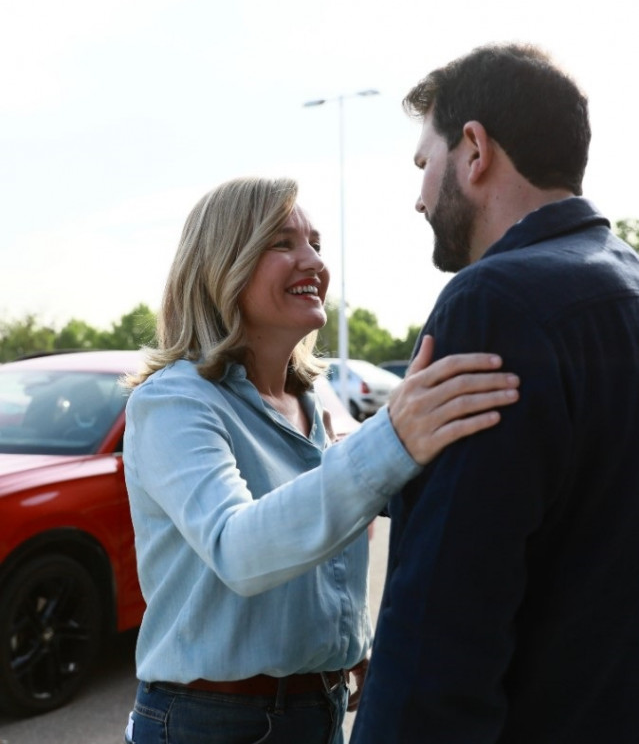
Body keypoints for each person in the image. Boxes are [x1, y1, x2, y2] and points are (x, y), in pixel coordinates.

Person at [121, 176, 520, 744]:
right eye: (283, 243)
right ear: (221, 265)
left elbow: (320, 538)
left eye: (315, 243)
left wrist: (339, 646)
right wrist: (392, 438)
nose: (313, 262)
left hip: (319, 708)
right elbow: (242, 551)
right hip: (210, 722)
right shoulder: (173, 402)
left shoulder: (314, 402)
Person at [350, 43, 639, 744]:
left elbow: (442, 628)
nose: (419, 196)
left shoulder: (495, 302)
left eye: (425, 164)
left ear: (473, 150)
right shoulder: (625, 282)